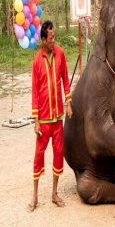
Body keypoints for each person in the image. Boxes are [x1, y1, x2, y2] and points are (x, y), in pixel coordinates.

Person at [27, 20, 73, 212]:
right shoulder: (37, 62)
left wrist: (68, 103)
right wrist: (36, 121)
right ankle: (35, 196)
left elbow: (65, 80)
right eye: (51, 37)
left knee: (58, 154)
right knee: (39, 156)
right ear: (44, 40)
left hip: (58, 119)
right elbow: (35, 93)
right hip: (44, 121)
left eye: (55, 36)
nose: (54, 40)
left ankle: (54, 193)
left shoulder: (61, 54)